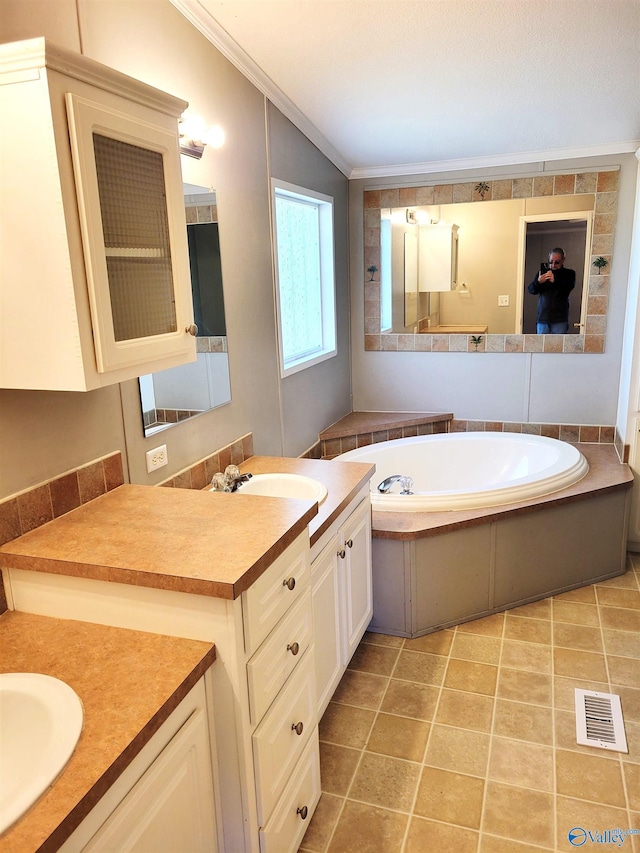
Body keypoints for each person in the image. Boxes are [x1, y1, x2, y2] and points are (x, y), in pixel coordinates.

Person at [527, 247, 576, 334]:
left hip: (560, 319)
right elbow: (531, 290)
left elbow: (569, 287)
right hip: (542, 319)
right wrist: (538, 282)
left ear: (563, 260)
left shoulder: (569, 273)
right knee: (541, 346)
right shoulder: (543, 274)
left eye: (557, 262)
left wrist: (555, 281)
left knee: (558, 346)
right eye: (550, 262)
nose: (553, 265)